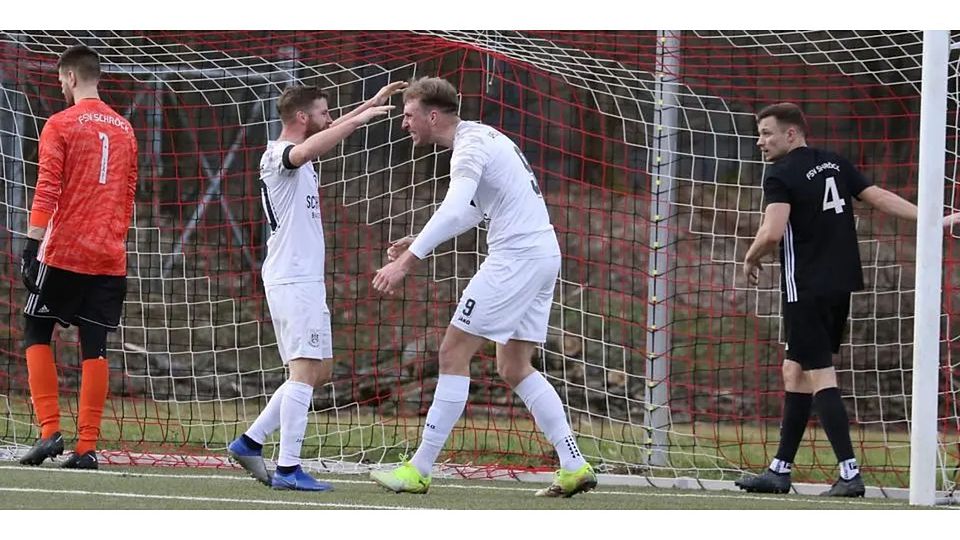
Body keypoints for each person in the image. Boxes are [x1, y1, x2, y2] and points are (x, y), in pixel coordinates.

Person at [369, 76, 596, 498]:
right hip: (542, 254)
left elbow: (456, 209)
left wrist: (406, 261)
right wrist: (416, 238)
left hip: (515, 260)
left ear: (432, 115)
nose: (404, 124)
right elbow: (475, 209)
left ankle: (418, 469)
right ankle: (573, 464)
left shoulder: (470, 146)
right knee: (513, 366)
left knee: (453, 352)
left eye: (409, 115)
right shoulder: (483, 137)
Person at [736, 102, 960, 497]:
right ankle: (779, 470)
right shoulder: (835, 164)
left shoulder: (781, 174)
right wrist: (932, 219)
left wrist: (750, 257)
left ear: (792, 134)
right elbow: (878, 197)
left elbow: (772, 233)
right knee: (796, 369)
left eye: (767, 133)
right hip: (840, 284)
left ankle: (849, 472)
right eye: (760, 133)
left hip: (803, 286)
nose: (760, 141)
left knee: (820, 373)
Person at [226, 81, 403, 491]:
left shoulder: (300, 156)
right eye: (323, 112)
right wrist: (358, 119)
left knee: (318, 370)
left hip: (305, 277)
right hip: (292, 277)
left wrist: (369, 104)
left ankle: (250, 441)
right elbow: (307, 147)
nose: (329, 118)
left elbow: (321, 136)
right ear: (302, 117)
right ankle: (288, 468)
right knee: (304, 371)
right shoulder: (278, 156)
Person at [18, 45, 139, 470]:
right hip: (109, 253)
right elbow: (128, 196)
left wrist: (32, 243)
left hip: (65, 249)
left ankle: (50, 430)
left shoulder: (61, 123)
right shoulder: (125, 128)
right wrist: (112, 239)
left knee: (35, 330)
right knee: (96, 346)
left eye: (59, 80)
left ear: (69, 77)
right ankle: (86, 447)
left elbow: (48, 186)